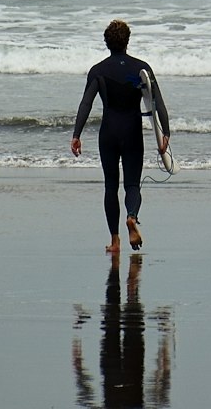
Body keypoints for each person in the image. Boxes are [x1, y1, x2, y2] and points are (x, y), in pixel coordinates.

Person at [71, 19, 170, 254]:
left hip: (108, 133)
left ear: (107, 43)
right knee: (133, 184)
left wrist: (76, 134)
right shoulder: (141, 69)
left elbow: (86, 103)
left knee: (110, 186)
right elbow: (158, 103)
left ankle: (115, 241)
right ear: (127, 41)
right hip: (132, 131)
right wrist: (165, 132)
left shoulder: (98, 71)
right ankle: (132, 217)